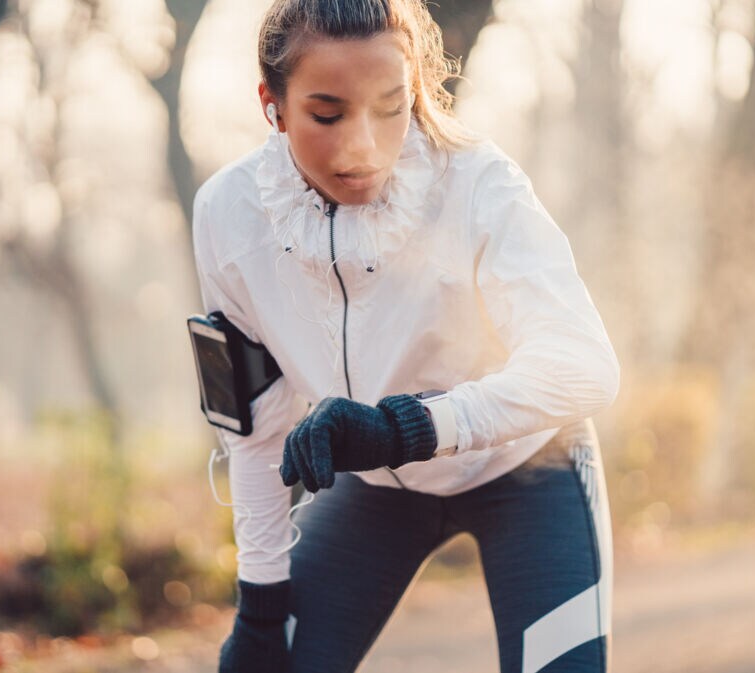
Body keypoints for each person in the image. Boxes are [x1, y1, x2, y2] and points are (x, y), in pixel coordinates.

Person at [191, 1, 619, 671]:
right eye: (327, 115)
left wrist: (404, 428)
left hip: (529, 469)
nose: (363, 146)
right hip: (376, 489)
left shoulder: (479, 183)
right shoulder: (228, 214)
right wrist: (261, 603)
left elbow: (585, 364)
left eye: (392, 107)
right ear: (273, 106)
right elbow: (255, 430)